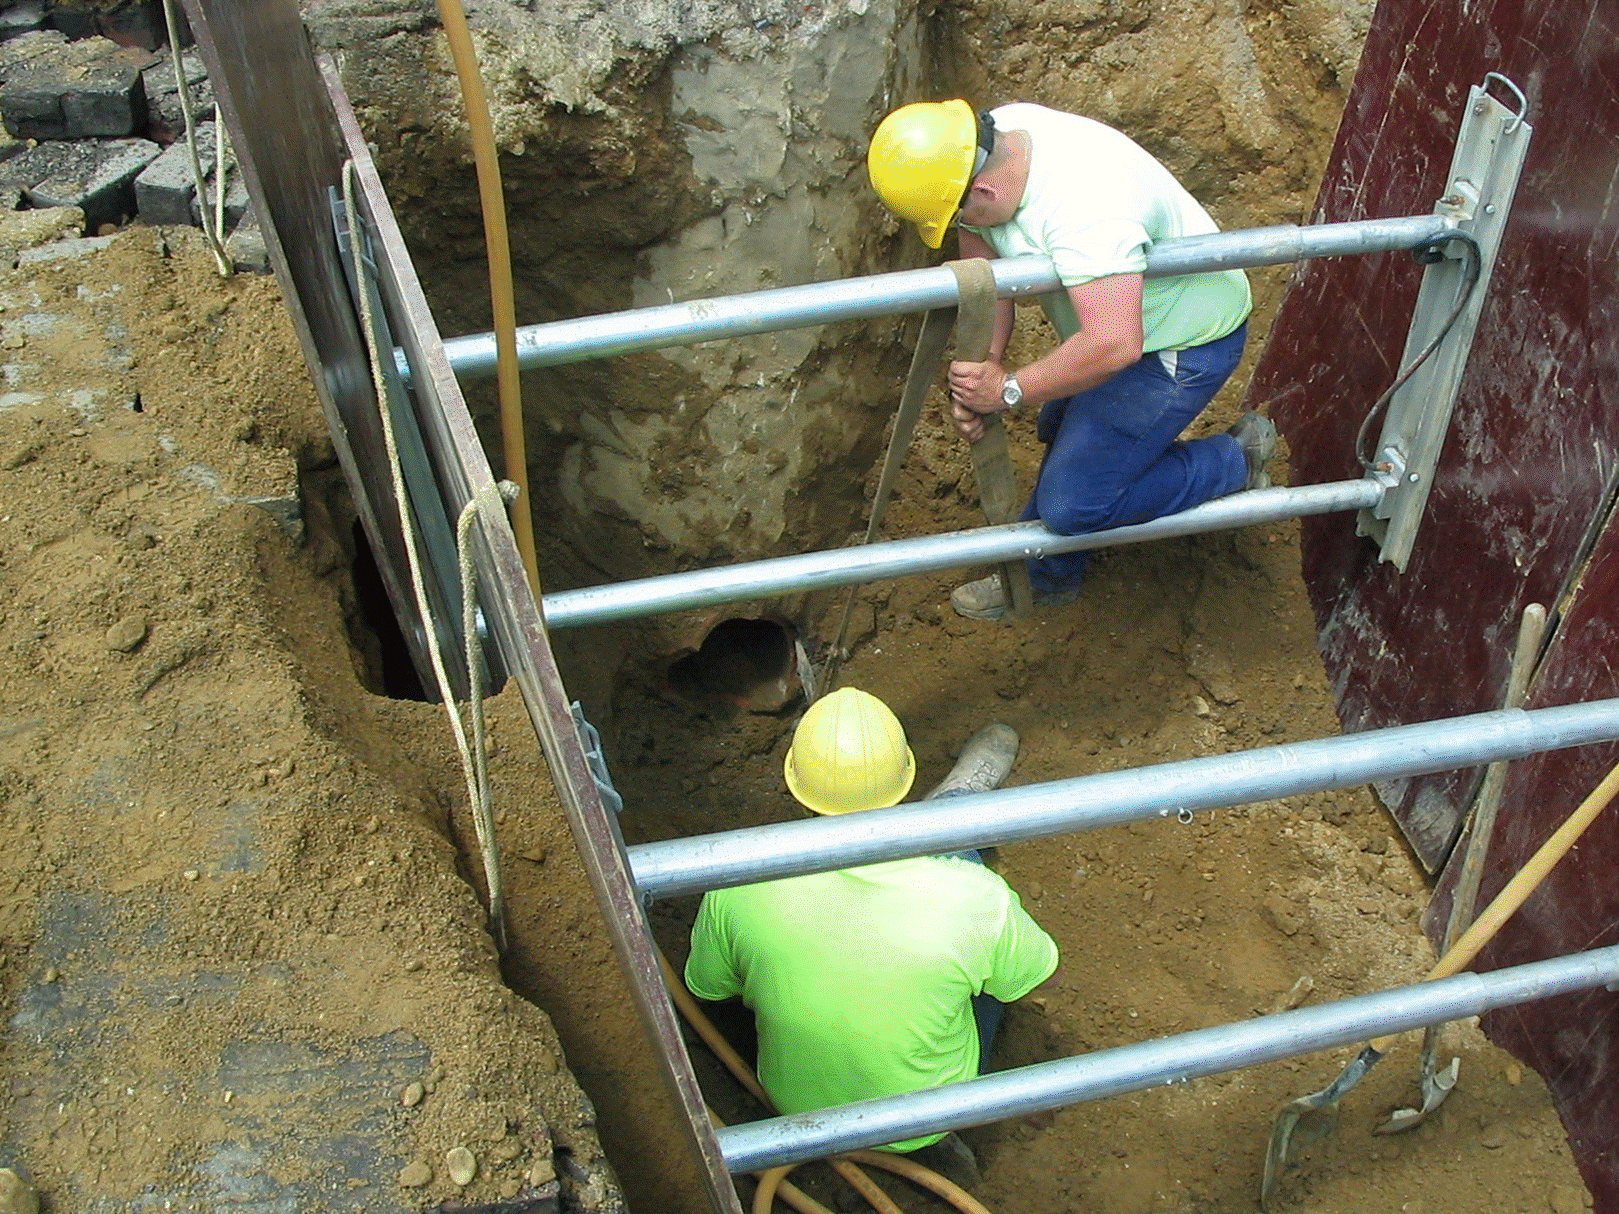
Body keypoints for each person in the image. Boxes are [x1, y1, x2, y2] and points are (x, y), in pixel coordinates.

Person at [866, 100, 1277, 621]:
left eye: (956, 217)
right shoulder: (983, 143)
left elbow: (1113, 345)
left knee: (1072, 507)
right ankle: (1056, 566)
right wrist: (986, 369)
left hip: (1178, 340)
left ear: (983, 191)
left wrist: (1009, 389)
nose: (961, 228)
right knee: (1057, 423)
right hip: (1114, 323)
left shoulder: (1087, 208)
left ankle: (1235, 461)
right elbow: (987, 273)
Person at [683, 687, 1059, 1183]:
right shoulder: (973, 898)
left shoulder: (738, 882)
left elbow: (709, 989)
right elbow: (1032, 979)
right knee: (974, 919)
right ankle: (957, 803)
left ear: (796, 782)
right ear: (902, 779)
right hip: (921, 1118)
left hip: (796, 1107)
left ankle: (953, 806)